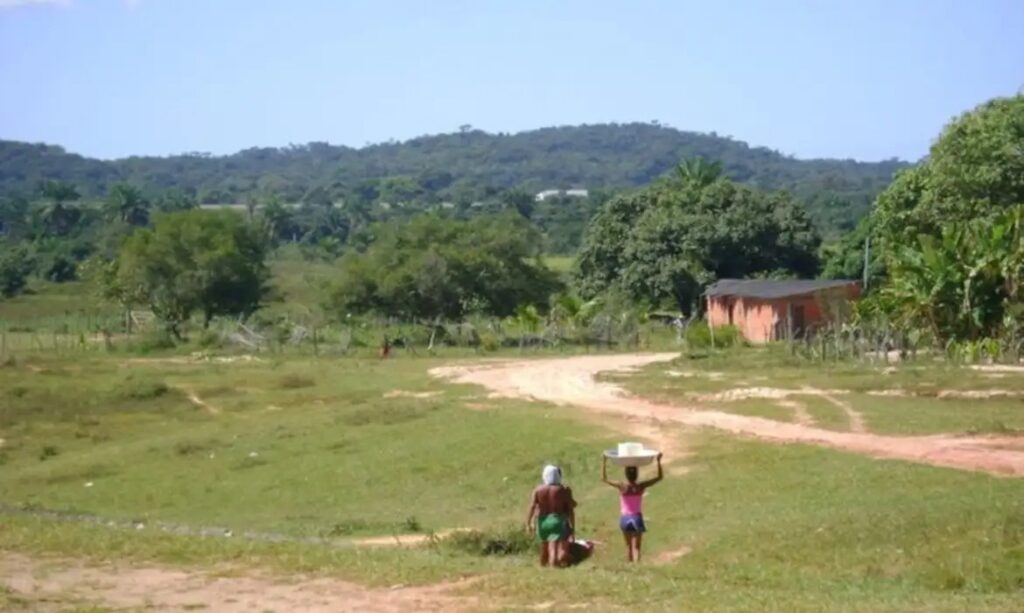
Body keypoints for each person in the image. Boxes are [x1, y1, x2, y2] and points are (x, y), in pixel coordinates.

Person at [602, 453, 663, 562]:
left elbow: (604, 478)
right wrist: (658, 461)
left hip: (625, 518)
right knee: (637, 548)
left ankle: (629, 566)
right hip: (636, 518)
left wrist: (604, 461)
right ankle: (637, 566)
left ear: (626, 474)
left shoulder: (622, 486)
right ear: (637, 475)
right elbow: (659, 477)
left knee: (628, 547)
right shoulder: (640, 486)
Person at [526, 464, 577, 567]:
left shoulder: (538, 490)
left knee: (544, 547)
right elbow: (570, 509)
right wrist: (572, 526)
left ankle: (543, 566)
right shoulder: (563, 490)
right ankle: (555, 564)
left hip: (542, 521)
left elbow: (532, 506)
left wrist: (528, 523)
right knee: (554, 548)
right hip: (557, 520)